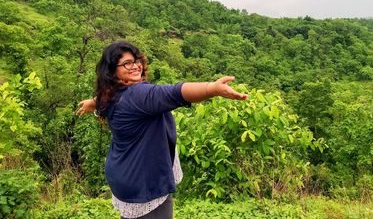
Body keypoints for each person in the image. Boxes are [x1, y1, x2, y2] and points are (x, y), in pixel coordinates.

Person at [77, 41, 248, 219]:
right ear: (112, 71)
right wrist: (211, 88)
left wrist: (93, 103)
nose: (135, 66)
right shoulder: (139, 95)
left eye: (136, 61)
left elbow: (107, 98)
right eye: (127, 63)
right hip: (144, 180)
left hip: (123, 174)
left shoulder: (111, 93)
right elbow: (175, 92)